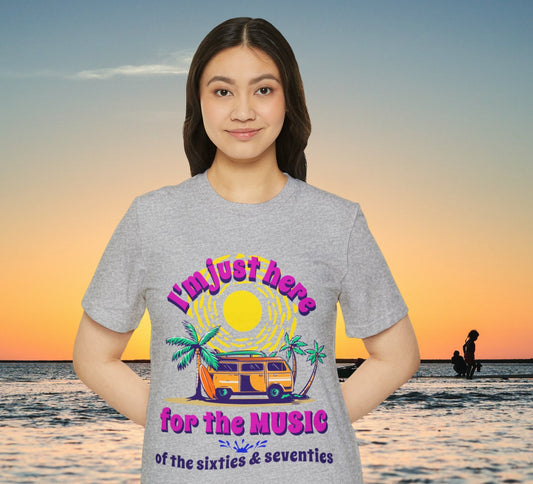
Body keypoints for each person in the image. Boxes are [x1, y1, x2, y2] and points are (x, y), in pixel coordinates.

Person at [73, 17, 420, 483]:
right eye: (222, 91)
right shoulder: (151, 218)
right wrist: (173, 423)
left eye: (263, 90)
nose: (242, 112)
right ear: (198, 102)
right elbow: (93, 357)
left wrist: (312, 423)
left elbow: (398, 356)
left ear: (288, 99)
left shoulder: (338, 220)